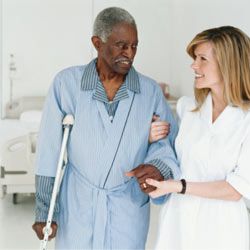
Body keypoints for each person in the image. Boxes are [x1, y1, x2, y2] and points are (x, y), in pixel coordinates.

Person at [32, 7, 180, 249]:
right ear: (97, 43)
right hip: (79, 204)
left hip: (127, 207)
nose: (129, 54)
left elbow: (165, 145)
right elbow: (50, 152)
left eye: (134, 46)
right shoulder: (67, 84)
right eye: (121, 45)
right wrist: (44, 210)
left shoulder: (150, 91)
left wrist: (156, 168)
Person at [147, 26, 250, 250]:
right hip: (177, 222)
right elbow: (167, 155)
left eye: (202, 59)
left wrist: (179, 186)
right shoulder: (187, 108)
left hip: (222, 229)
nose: (194, 65)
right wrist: (150, 136)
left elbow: (235, 190)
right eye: (195, 58)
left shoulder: (246, 120)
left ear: (228, 64)